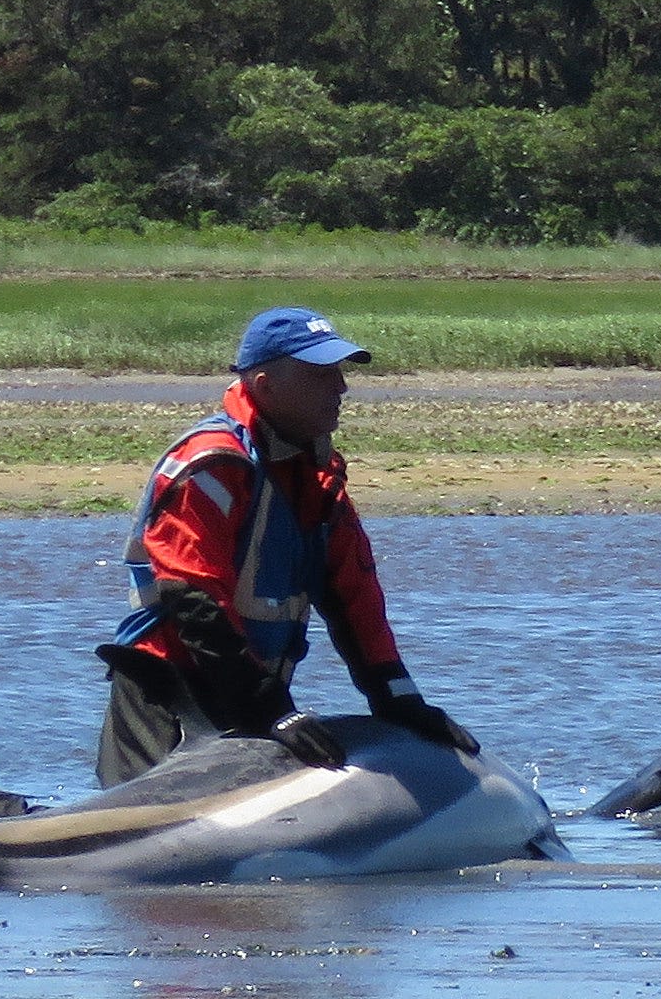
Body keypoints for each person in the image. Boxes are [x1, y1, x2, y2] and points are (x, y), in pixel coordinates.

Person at [96, 305, 466, 782]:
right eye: (320, 375)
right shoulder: (211, 465)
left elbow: (356, 602)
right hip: (167, 694)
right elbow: (191, 599)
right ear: (265, 384)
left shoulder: (316, 476)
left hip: (248, 693)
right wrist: (271, 709)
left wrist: (398, 698)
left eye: (338, 372)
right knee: (144, 843)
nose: (341, 388)